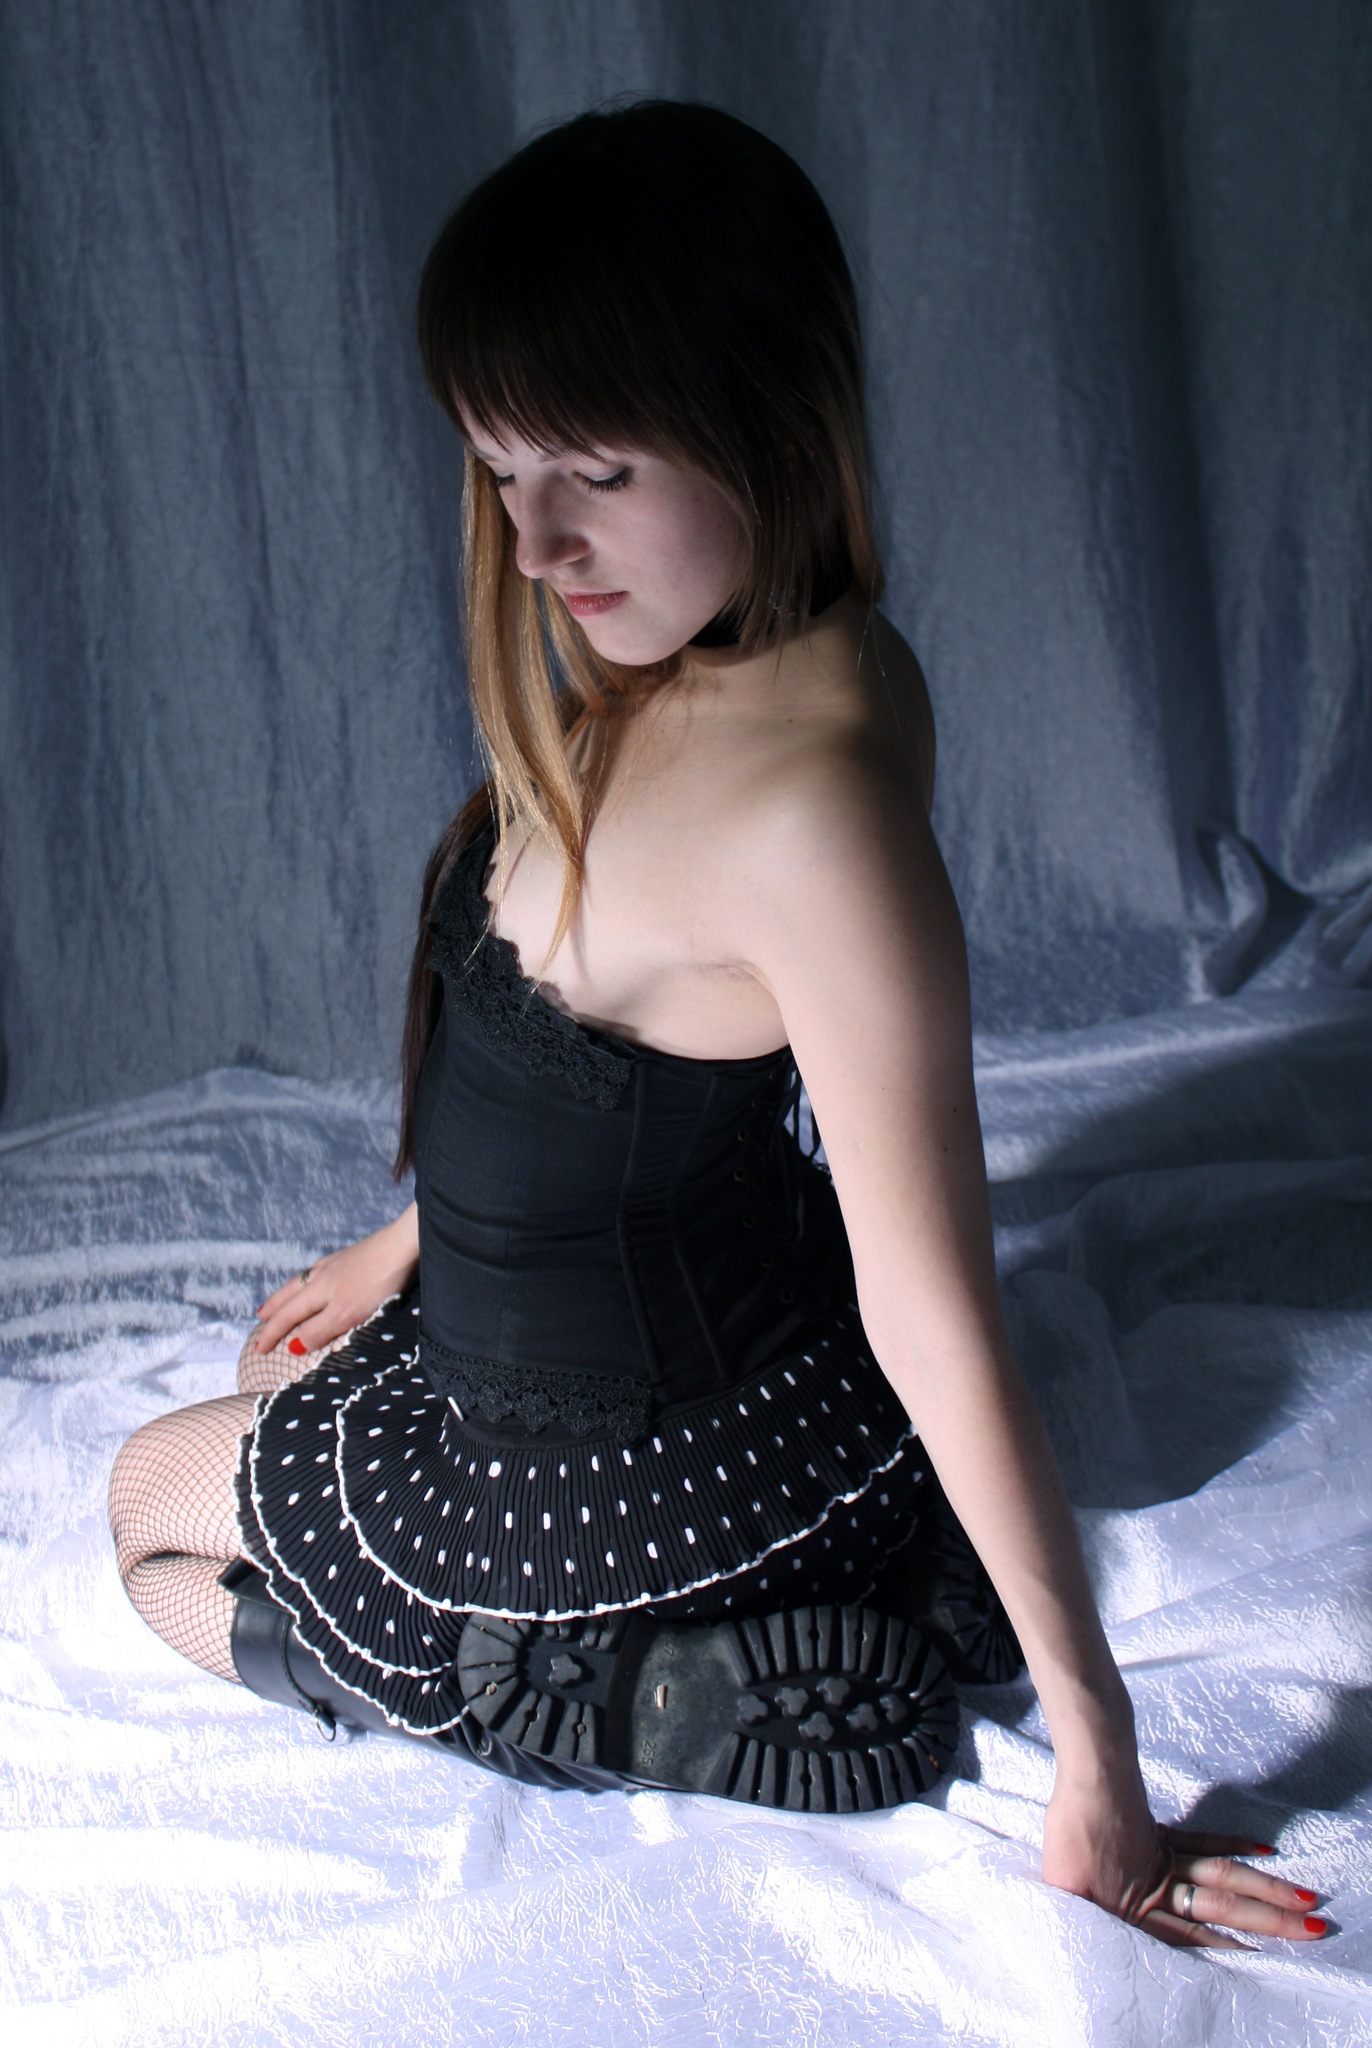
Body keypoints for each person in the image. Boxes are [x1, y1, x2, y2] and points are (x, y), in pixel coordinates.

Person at [108, 100, 1324, 1950]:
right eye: (501, 469)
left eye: (593, 471)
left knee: (146, 1526)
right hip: (670, 1334)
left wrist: (1104, 1761)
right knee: (267, 1408)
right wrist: (408, 1242)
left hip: (653, 1454)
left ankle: (591, 1692)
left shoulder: (810, 818)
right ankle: (830, 1580)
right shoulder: (776, 650)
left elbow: (937, 1302)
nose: (534, 543)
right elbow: (605, 1079)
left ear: (769, 422)